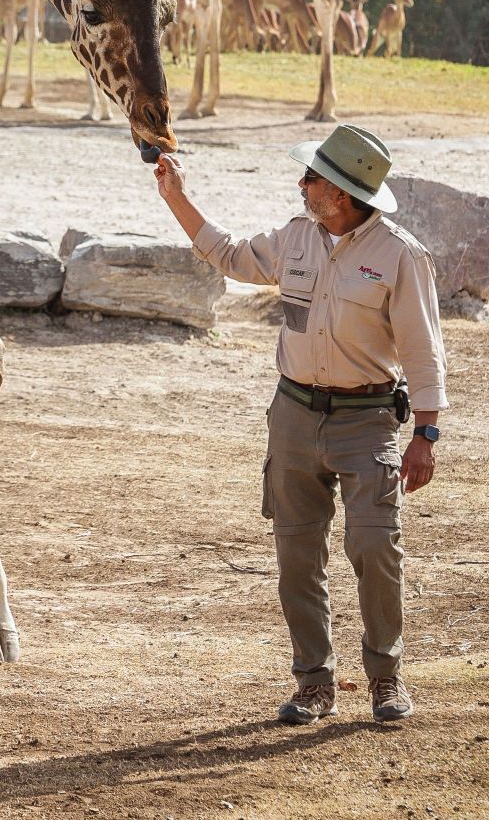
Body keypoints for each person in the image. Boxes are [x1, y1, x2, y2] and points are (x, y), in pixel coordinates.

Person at [153, 123, 447, 725]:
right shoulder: (295, 238)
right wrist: (176, 197)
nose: (302, 184)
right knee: (296, 554)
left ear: (339, 193)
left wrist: (426, 432)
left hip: (367, 422)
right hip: (292, 417)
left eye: (312, 177)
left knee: (376, 547)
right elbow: (230, 256)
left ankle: (386, 680)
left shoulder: (400, 256)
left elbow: (423, 350)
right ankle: (315, 683)